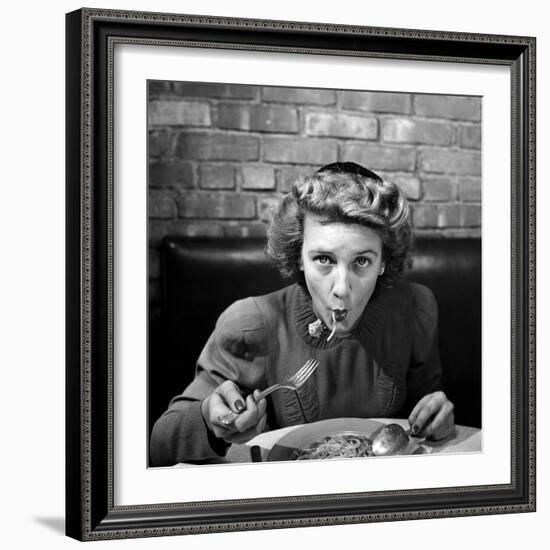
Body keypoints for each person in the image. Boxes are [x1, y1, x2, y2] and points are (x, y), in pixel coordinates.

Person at [150, 162, 455, 466]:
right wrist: (208, 419)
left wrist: (437, 414)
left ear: (384, 263)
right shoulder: (249, 324)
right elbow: (161, 443)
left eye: (362, 261)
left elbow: (426, 405)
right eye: (324, 259)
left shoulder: (415, 309)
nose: (341, 288)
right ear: (298, 257)